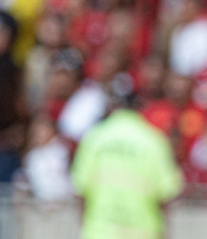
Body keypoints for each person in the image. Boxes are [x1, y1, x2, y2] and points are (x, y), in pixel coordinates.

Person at [70, 93, 184, 239]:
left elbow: (80, 189)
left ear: (113, 106)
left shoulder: (94, 137)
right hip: (143, 233)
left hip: (99, 232)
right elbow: (166, 195)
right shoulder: (154, 141)